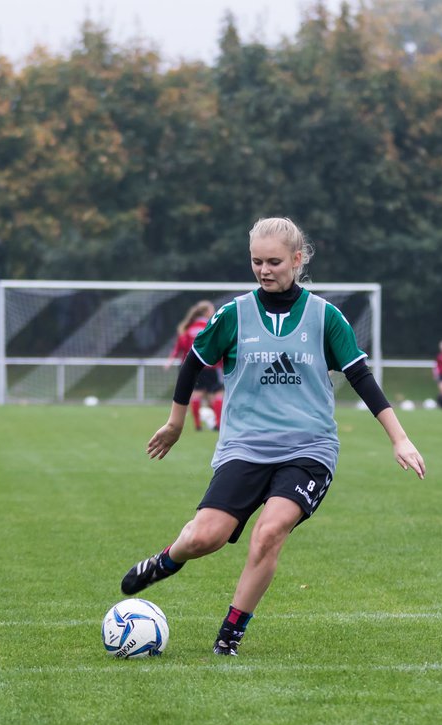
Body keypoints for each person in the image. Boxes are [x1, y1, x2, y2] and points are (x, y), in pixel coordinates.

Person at [122, 217, 426, 655]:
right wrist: (175, 422)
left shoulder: (325, 317)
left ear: (298, 260)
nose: (264, 270)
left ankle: (229, 635)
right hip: (244, 447)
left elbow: (361, 377)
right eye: (256, 262)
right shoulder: (234, 314)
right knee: (205, 537)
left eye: (274, 262)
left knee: (269, 533)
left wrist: (400, 438)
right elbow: (193, 362)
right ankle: (169, 559)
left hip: (309, 450)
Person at [167, 300, 223, 430]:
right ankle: (219, 424)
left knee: (197, 394)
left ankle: (198, 424)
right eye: (211, 309)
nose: (213, 312)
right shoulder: (210, 326)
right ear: (205, 312)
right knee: (217, 395)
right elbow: (218, 347)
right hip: (211, 366)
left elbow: (181, 347)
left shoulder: (188, 329)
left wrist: (171, 360)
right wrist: (222, 363)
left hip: (195, 367)